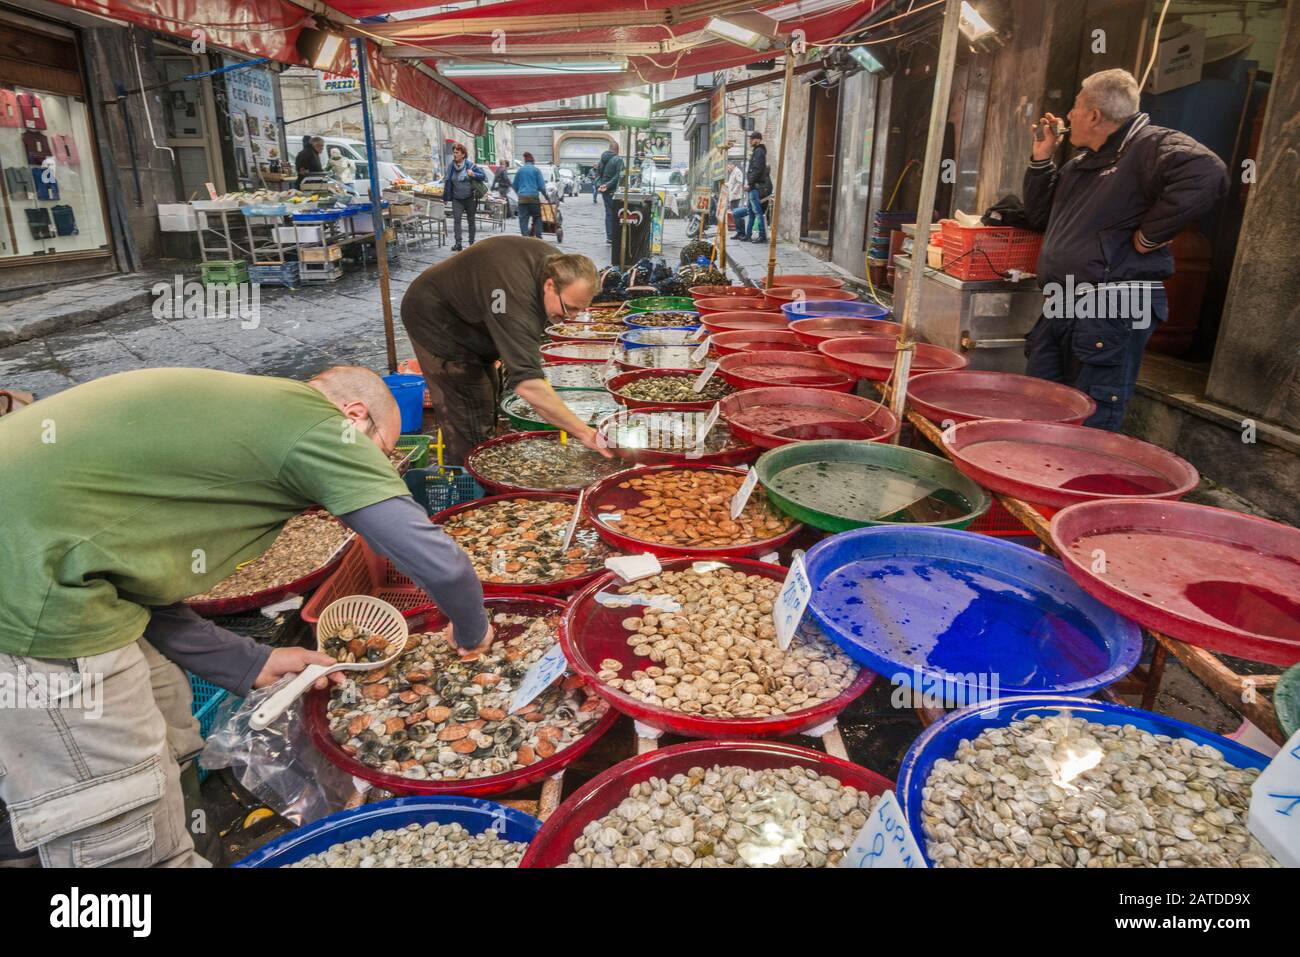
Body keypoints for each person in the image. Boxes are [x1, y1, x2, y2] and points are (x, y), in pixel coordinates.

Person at [0, 366, 493, 867]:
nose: (384, 471)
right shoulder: (320, 426)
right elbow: (444, 565)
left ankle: (186, 840)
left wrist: (246, 661)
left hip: (50, 566)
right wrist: (473, 631)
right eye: (386, 454)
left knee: (167, 725)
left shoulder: (254, 412)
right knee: (112, 823)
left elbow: (127, 575)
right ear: (355, 415)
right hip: (31, 603)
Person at [1022, 68, 1227, 431]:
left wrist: (1151, 235)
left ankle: (1079, 486)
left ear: (1095, 115)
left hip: (1111, 305)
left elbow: (1206, 172)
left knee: (1089, 420)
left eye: (1075, 106)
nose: (1068, 116)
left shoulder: (1147, 146)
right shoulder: (1081, 165)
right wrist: (1042, 159)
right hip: (1062, 302)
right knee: (1041, 410)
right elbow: (1039, 216)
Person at [400, 237, 613, 464]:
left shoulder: (558, 266)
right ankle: (468, 481)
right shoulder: (514, 299)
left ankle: (482, 456)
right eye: (568, 308)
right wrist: (586, 433)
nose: (570, 318)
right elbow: (528, 385)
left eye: (579, 311)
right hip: (436, 321)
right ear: (550, 285)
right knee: (470, 411)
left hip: (474, 319)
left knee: (488, 393)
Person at [444, 142, 487, 252]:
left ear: (463, 154)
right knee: (457, 220)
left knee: (471, 221)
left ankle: (471, 243)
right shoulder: (451, 167)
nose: (454, 154)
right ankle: (458, 243)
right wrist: (445, 197)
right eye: (454, 152)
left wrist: (474, 174)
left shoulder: (470, 165)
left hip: (470, 198)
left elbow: (484, 177)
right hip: (457, 199)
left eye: (457, 153)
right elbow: (447, 181)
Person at [739, 131, 770, 243]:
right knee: (751, 213)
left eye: (752, 139)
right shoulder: (758, 151)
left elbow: (757, 170)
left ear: (758, 139)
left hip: (755, 187)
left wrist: (749, 184)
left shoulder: (759, 151)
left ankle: (762, 235)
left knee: (757, 213)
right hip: (753, 187)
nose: (750, 141)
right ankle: (748, 235)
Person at [596, 142, 625, 244]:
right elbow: (619, 176)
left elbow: (598, 176)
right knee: (617, 213)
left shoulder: (601, 160)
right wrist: (608, 185)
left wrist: (601, 185)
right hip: (614, 191)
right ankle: (616, 235)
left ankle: (609, 236)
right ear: (617, 150)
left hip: (605, 192)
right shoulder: (618, 160)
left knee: (608, 213)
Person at [513, 152, 546, 238]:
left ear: (525, 161)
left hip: (522, 199)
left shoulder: (520, 171)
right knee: (537, 217)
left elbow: (514, 186)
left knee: (523, 219)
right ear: (533, 161)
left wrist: (520, 193)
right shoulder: (536, 170)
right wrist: (547, 197)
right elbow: (542, 187)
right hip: (533, 198)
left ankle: (525, 237)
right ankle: (538, 237)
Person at [725, 157, 747, 239]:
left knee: (737, 214)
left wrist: (734, 191)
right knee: (735, 214)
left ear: (732, 165)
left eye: (728, 166)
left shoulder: (737, 171)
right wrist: (725, 184)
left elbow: (739, 182)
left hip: (736, 196)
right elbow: (731, 183)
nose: (728, 168)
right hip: (732, 196)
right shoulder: (732, 172)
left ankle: (740, 232)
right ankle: (739, 231)